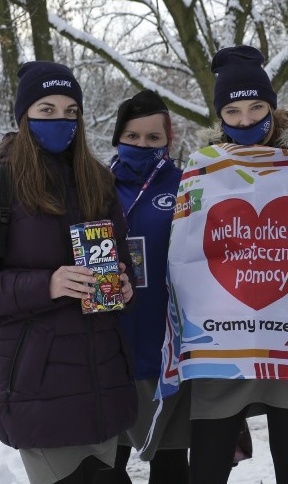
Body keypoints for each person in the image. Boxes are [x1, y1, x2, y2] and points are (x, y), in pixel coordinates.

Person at [0, 61, 137, 484]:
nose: (61, 121)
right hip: (39, 387)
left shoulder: (98, 182)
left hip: (104, 379)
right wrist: (47, 284)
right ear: (24, 116)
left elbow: (121, 262)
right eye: (47, 110)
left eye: (71, 111)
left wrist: (124, 287)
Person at [184, 45, 288, 484]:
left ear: (272, 106)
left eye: (256, 107)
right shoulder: (202, 171)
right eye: (232, 111)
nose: (246, 120)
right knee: (208, 464)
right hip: (221, 341)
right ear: (220, 116)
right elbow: (189, 247)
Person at [94, 90, 189, 484]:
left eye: (154, 138)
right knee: (105, 469)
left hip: (167, 349)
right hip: (109, 351)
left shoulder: (186, 183)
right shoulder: (95, 186)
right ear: (118, 138)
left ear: (168, 140)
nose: (142, 145)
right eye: (132, 136)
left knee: (169, 468)